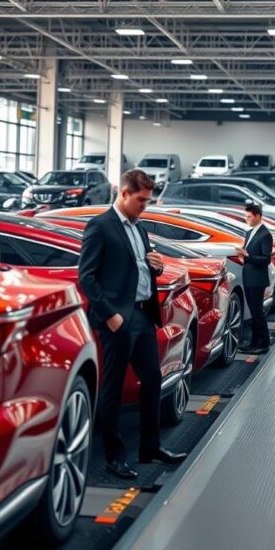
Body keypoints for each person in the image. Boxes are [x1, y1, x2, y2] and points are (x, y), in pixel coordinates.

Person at [78, 169, 187, 480]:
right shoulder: (100, 226)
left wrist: (159, 266)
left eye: (148, 201)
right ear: (123, 194)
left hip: (142, 315)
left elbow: (142, 268)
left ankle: (150, 448)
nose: (145, 206)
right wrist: (111, 315)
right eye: (141, 200)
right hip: (117, 320)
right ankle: (114, 457)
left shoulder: (139, 229)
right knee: (112, 389)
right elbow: (87, 276)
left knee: (152, 380)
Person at [237, 202, 274, 355]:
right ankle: (254, 342)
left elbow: (266, 259)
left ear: (258, 216)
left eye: (250, 217)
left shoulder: (265, 234)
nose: (247, 220)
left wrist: (248, 256)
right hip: (250, 276)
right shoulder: (249, 232)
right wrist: (244, 257)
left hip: (257, 279)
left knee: (257, 311)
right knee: (253, 311)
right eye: (246, 217)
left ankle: (264, 344)